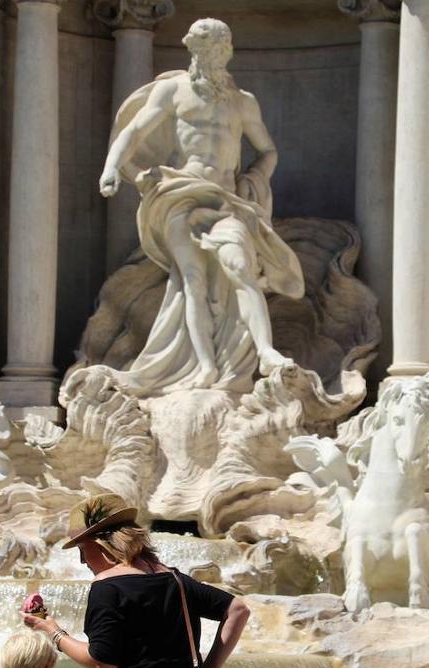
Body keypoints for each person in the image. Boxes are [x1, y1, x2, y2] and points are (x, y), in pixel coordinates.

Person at [99, 18, 305, 394]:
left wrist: (255, 177)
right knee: (192, 280)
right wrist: (114, 167)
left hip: (226, 199)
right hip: (181, 193)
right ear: (193, 50)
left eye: (219, 49)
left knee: (240, 268)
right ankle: (206, 367)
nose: (213, 55)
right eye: (205, 48)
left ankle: (267, 352)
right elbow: (133, 131)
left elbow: (268, 150)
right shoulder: (173, 91)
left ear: (228, 51)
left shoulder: (244, 102)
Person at [22, 494, 251, 668]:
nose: (83, 560)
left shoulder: (107, 588)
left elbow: (101, 661)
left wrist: (54, 632)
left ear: (100, 543)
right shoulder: (176, 579)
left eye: (82, 549)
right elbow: (238, 610)